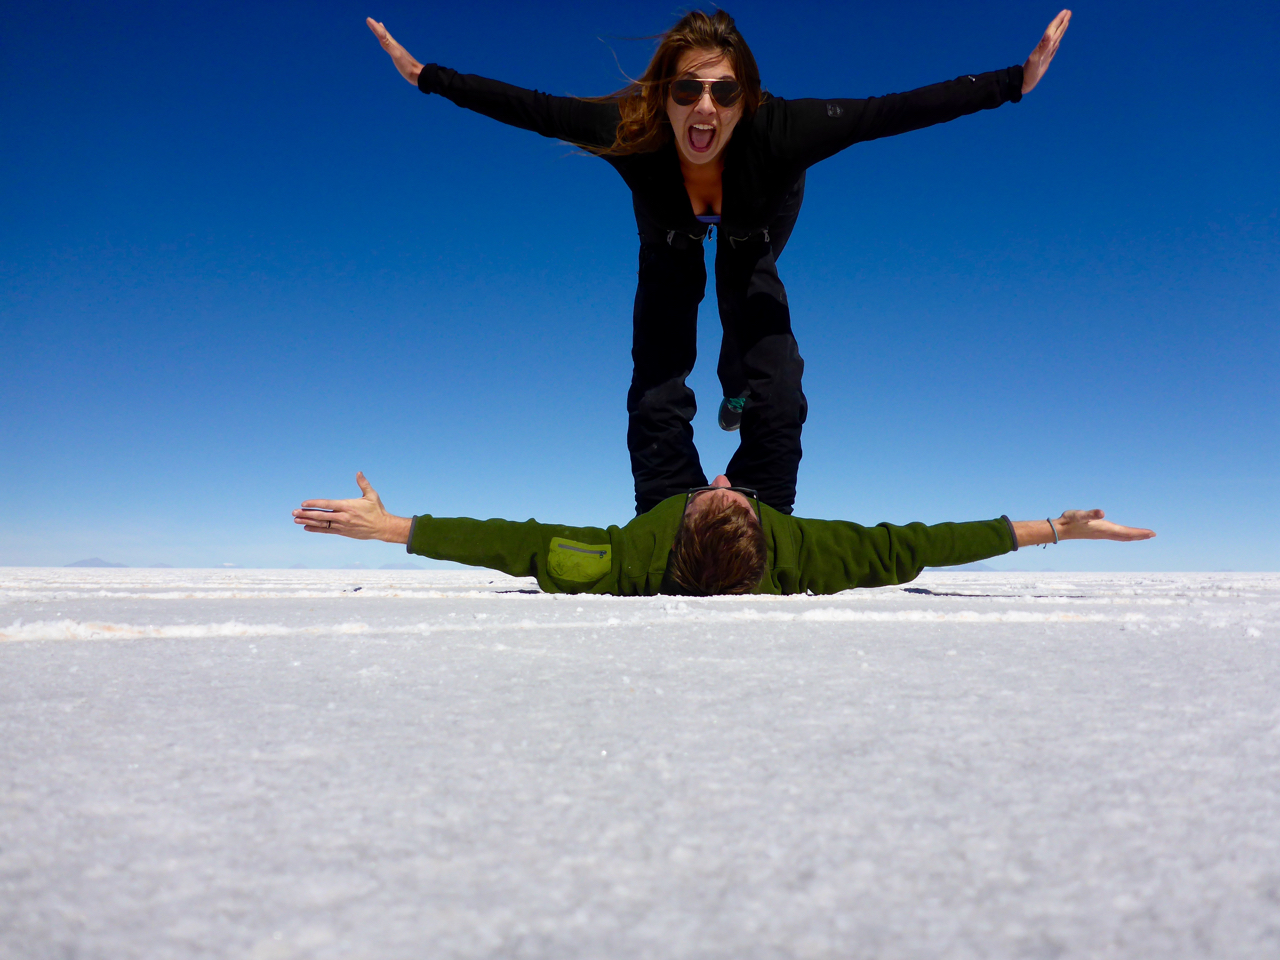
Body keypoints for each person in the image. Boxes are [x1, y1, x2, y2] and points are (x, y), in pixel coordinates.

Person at [365, 9, 1073, 516]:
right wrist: (428, 76)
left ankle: (759, 499)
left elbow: (889, 111)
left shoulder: (782, 129)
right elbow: (533, 107)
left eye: (724, 92)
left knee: (766, 357)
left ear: (746, 99)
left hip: (755, 222)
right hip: (670, 229)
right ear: (662, 95)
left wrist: (1012, 82)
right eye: (687, 90)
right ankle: (666, 505)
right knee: (658, 366)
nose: (705, 107)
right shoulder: (628, 127)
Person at [292, 473, 1154, 597]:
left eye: (717, 496)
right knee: (777, 407)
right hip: (779, 524)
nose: (723, 482)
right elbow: (923, 540)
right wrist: (1055, 530)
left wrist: (394, 528)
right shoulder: (809, 552)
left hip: (652, 501)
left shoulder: (626, 559)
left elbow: (517, 539)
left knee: (658, 412)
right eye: (727, 497)